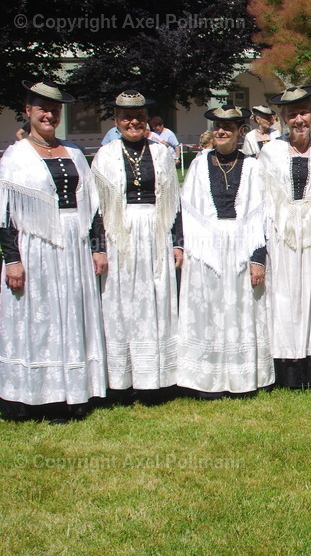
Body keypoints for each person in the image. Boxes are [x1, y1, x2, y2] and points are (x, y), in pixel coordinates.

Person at [0, 81, 107, 422]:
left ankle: (74, 393)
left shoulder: (73, 152)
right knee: (40, 318)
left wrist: (98, 250)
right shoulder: (15, 157)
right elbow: (4, 216)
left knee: (72, 314)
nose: (48, 114)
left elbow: (93, 206)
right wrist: (13, 260)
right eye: (41, 108)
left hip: (74, 248)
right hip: (36, 249)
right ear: (27, 111)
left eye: (54, 109)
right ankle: (37, 396)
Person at [176, 102, 274, 396]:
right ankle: (206, 380)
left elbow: (261, 216)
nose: (221, 131)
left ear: (240, 132)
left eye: (228, 127)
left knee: (240, 310)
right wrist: (184, 246)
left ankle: (240, 378)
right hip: (205, 248)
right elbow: (186, 209)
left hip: (242, 247)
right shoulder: (198, 163)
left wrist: (258, 260)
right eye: (217, 127)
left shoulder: (254, 167)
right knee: (208, 311)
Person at [91, 90, 182, 403]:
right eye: (126, 117)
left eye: (139, 117)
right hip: (121, 237)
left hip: (157, 233)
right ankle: (123, 380)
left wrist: (178, 243)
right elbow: (96, 208)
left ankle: (159, 378)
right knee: (123, 303)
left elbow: (174, 203)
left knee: (157, 300)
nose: (133, 122)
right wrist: (98, 247)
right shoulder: (104, 156)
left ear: (147, 120)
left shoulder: (160, 153)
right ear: (116, 121)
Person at [257, 85, 311, 388]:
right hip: (282, 238)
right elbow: (262, 203)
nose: (299, 120)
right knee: (285, 300)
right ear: (283, 119)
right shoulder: (270, 153)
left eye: (303, 113)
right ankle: (288, 372)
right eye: (292, 115)